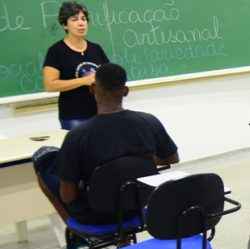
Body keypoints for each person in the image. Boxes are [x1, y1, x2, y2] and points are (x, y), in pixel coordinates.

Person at [34, 63, 179, 225]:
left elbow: (68, 196)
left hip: (97, 215)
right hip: (140, 204)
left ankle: (75, 230)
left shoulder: (77, 135)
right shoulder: (149, 121)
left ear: (92, 88)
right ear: (125, 91)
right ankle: (123, 236)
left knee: (43, 162)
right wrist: (137, 164)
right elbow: (172, 158)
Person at [42, 1, 110, 130]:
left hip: (101, 112)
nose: (81, 23)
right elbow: (50, 85)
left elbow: (108, 74)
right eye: (74, 19)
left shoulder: (96, 48)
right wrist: (84, 80)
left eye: (83, 19)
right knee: (80, 150)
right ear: (64, 25)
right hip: (74, 116)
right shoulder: (56, 51)